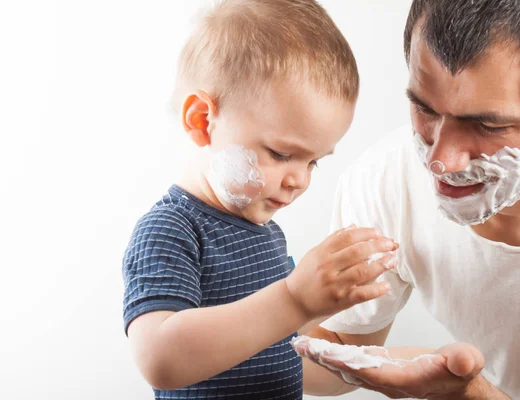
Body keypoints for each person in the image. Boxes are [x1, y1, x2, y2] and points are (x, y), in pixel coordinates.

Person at [299, 0, 520, 399]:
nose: (440, 161)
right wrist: (269, 314)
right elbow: (337, 344)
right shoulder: (386, 179)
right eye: (425, 109)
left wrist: (470, 394)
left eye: (486, 124)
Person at [120, 1, 399, 399]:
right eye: (282, 155)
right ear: (202, 120)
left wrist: (376, 361)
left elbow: (275, 349)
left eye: (314, 162)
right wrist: (295, 299)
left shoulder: (265, 233)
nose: (299, 180)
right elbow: (160, 358)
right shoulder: (171, 230)